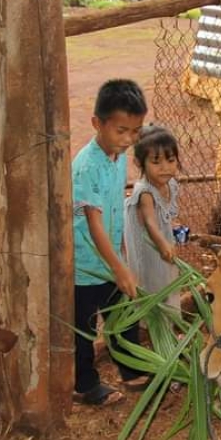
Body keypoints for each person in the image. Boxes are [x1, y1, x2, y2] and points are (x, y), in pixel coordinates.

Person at [72, 79, 149, 406]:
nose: (129, 139)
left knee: (122, 318)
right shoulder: (87, 165)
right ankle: (84, 385)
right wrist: (120, 268)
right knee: (83, 330)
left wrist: (122, 260)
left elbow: (115, 211)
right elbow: (94, 223)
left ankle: (131, 370)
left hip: (111, 261)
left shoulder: (117, 158)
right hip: (85, 266)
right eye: (121, 130)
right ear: (97, 124)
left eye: (135, 131)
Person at [123, 125, 183, 314]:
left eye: (170, 160)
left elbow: (166, 215)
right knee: (151, 282)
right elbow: (150, 222)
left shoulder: (171, 185)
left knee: (167, 280)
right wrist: (163, 243)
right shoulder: (146, 193)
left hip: (161, 240)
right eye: (156, 162)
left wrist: (172, 226)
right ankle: (149, 322)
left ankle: (166, 319)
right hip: (148, 246)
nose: (165, 167)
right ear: (140, 164)